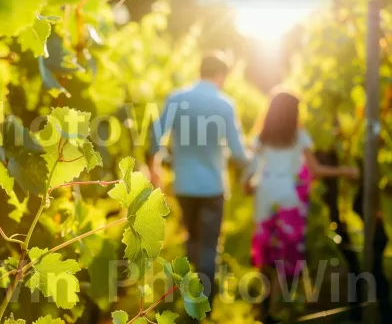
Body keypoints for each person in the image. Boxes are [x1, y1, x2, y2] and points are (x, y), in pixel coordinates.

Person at [243, 90, 358, 322]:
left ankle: (262, 304)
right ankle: (276, 306)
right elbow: (315, 170)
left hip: (264, 197)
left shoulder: (261, 137)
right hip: (288, 199)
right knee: (284, 254)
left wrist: (247, 185)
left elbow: (250, 173)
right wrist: (344, 171)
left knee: (266, 251)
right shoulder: (299, 136)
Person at [147, 52, 248, 301]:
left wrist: (155, 166)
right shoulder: (225, 105)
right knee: (209, 245)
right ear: (221, 75)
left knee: (192, 235)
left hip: (184, 185)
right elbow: (237, 152)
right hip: (213, 187)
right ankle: (205, 303)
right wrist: (255, 163)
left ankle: (190, 289)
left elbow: (154, 135)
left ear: (200, 71)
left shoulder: (176, 98)